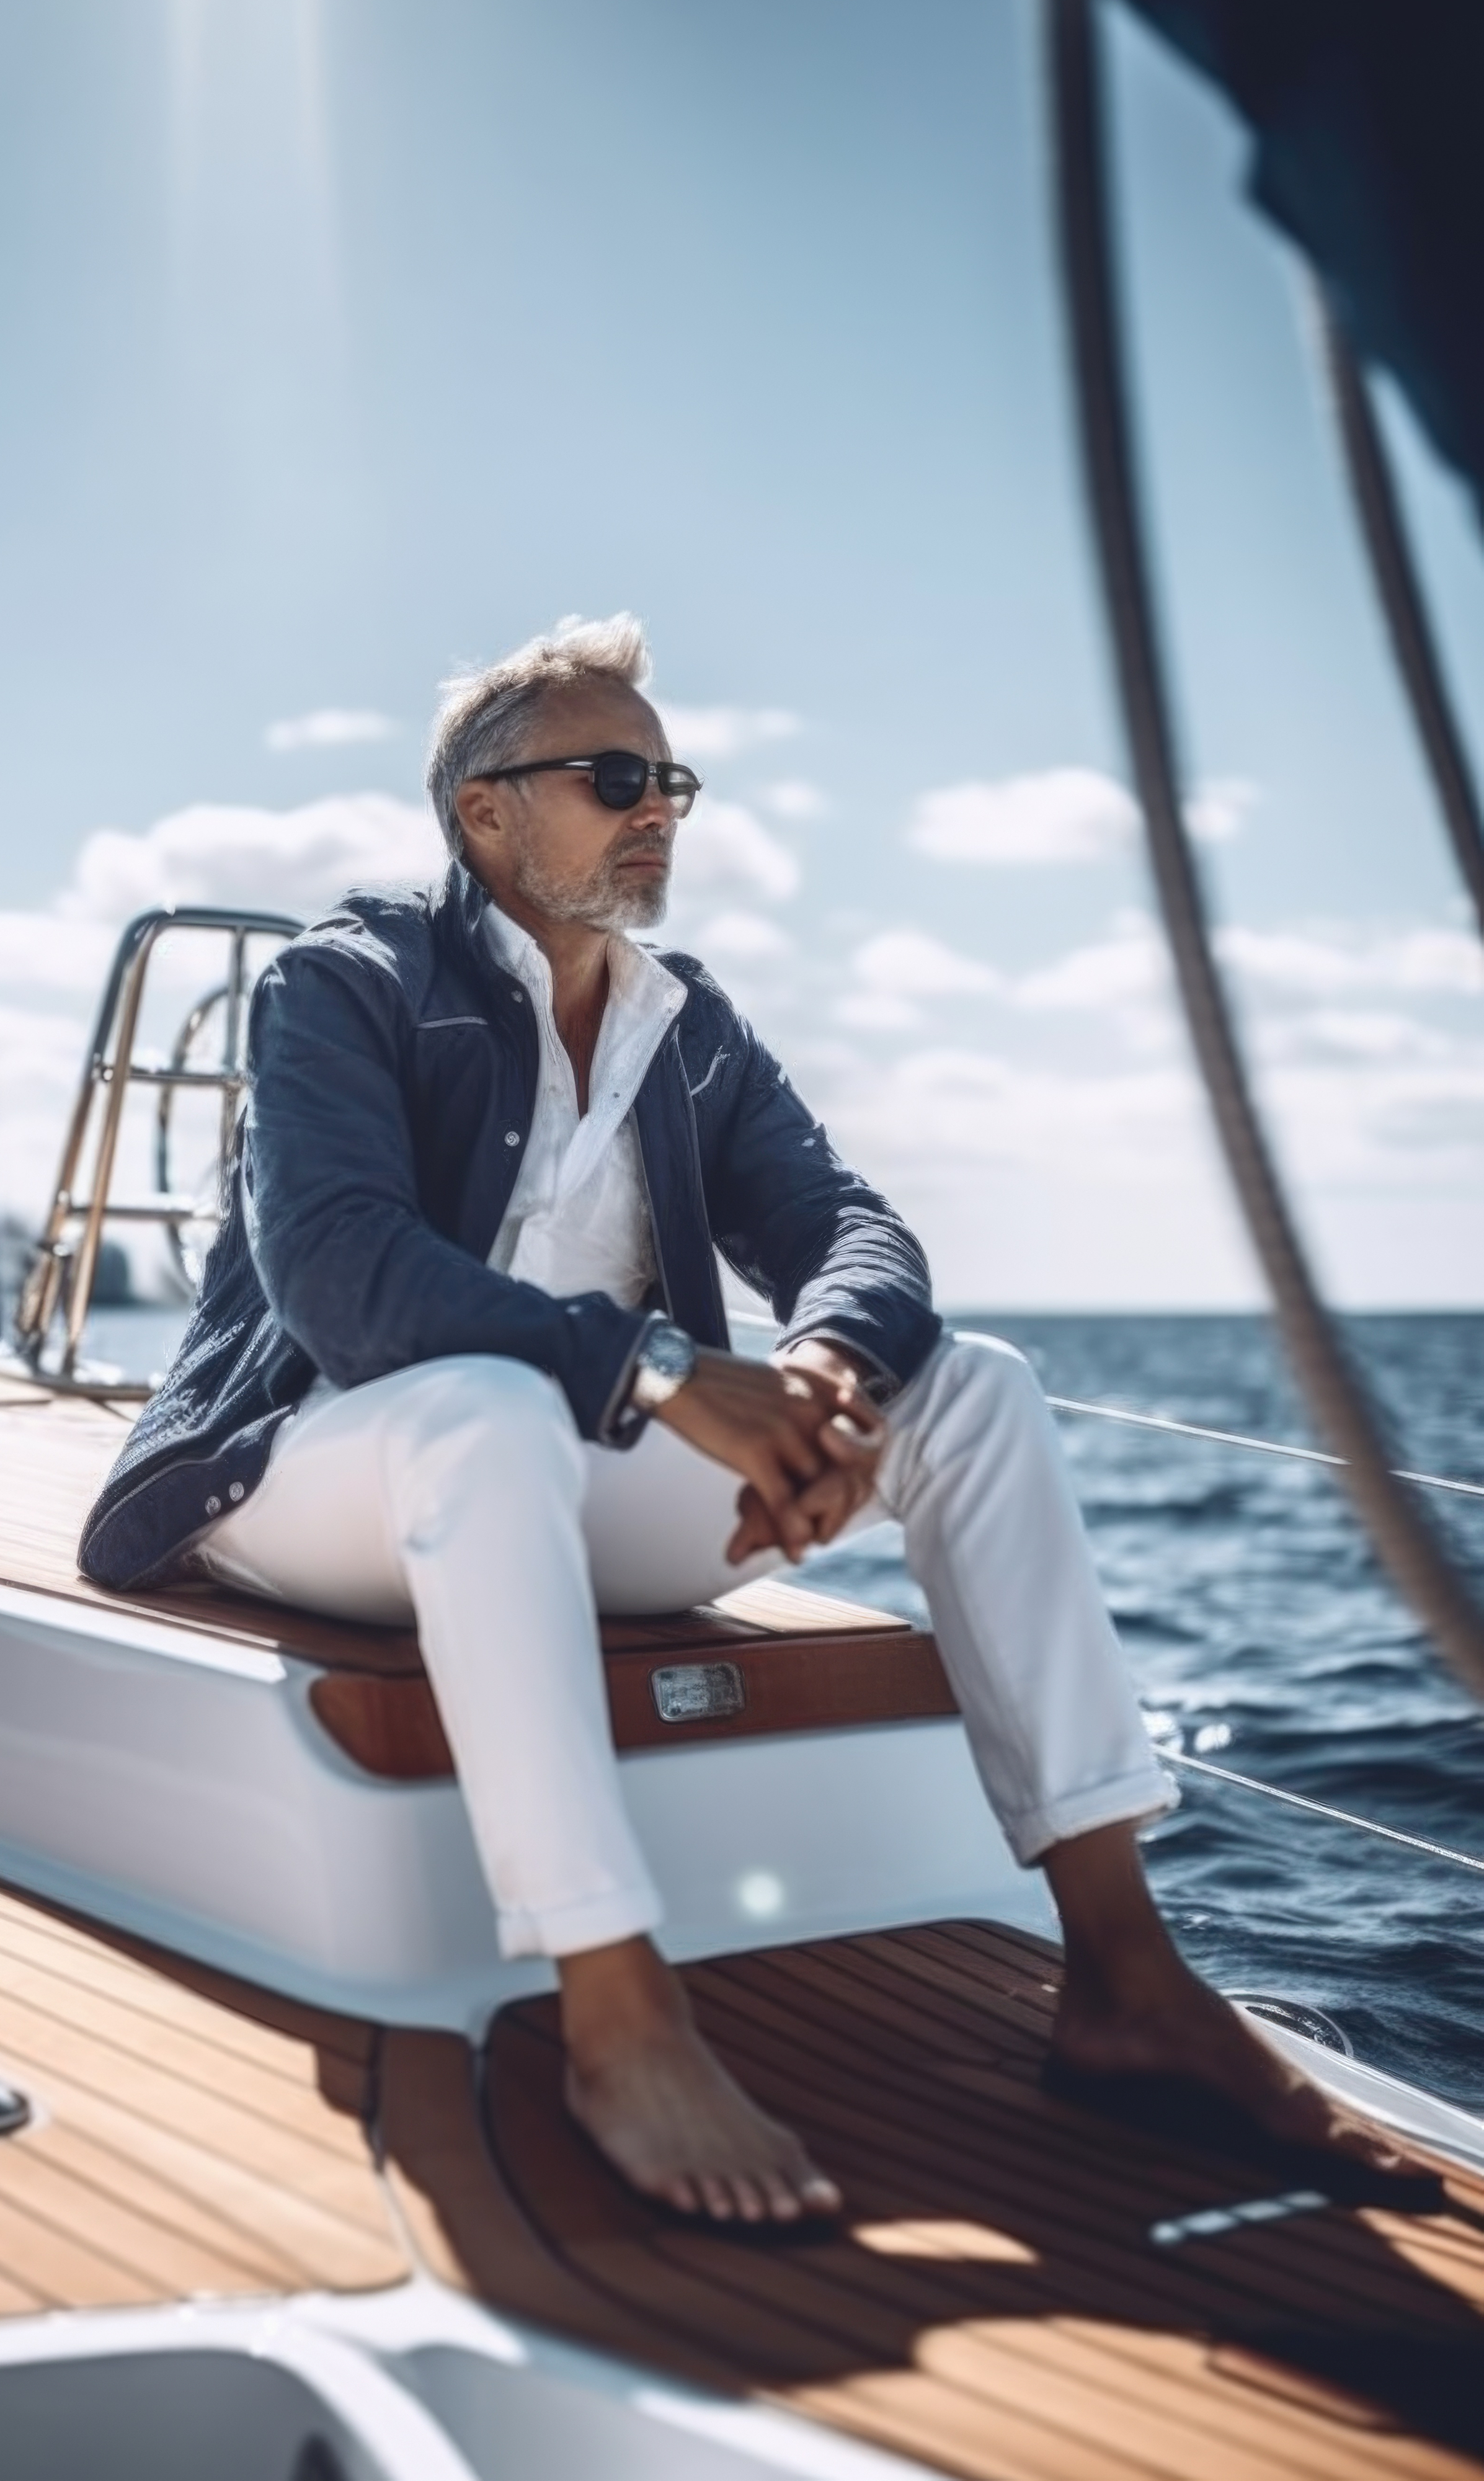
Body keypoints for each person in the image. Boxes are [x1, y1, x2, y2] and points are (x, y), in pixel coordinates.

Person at [82, 614, 1418, 2229]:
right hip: (311, 1474)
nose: (658, 809)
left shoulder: (682, 1024)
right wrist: (658, 1371)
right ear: (483, 811)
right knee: (487, 1413)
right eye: (613, 777)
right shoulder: (344, 983)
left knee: (975, 1388)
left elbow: (849, 1225)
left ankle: (1127, 1973)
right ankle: (616, 2009)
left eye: (673, 783)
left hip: (558, 1488)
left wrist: (826, 1375)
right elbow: (341, 1278)